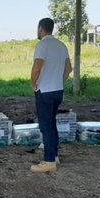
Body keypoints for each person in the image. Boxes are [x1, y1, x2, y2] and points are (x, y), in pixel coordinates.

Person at [30, 18, 72, 173]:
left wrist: (33, 83)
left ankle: (48, 161)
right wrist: (58, 81)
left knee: (46, 126)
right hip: (57, 90)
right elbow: (69, 68)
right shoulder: (61, 45)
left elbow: (37, 67)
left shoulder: (42, 45)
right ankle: (54, 156)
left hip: (45, 91)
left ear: (41, 28)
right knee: (52, 124)